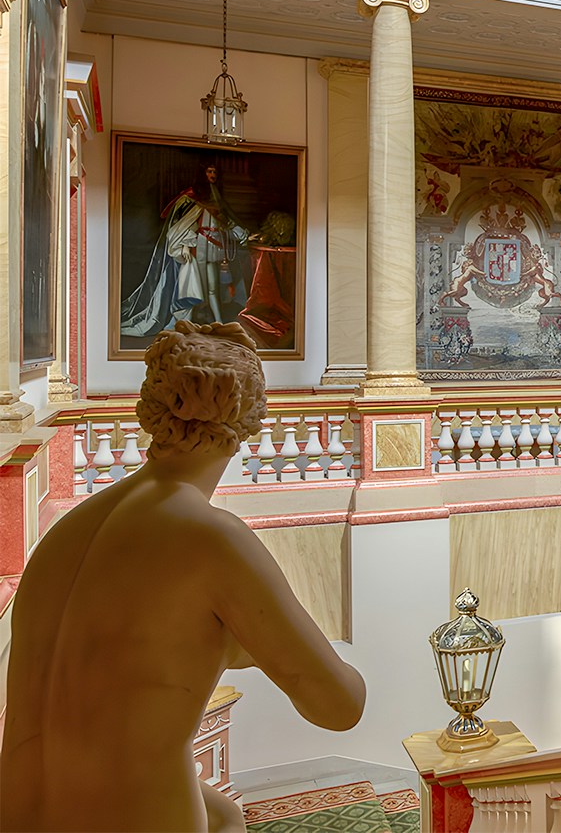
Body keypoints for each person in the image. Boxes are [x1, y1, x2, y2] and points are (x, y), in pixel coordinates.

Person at [0, 322, 365, 832]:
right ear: (249, 419)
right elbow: (340, 706)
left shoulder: (68, 530)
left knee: (225, 815)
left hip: (18, 812)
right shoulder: (211, 538)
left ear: (152, 408)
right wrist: (264, 644)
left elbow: (94, 722)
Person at [121, 163, 252, 337]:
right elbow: (182, 225)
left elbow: (226, 221)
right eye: (209, 171)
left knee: (213, 287)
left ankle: (219, 322)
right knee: (196, 286)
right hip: (198, 246)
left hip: (214, 246)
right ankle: (190, 321)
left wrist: (243, 235)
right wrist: (183, 245)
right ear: (203, 173)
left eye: (214, 172)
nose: (212, 174)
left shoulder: (217, 197)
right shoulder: (191, 196)